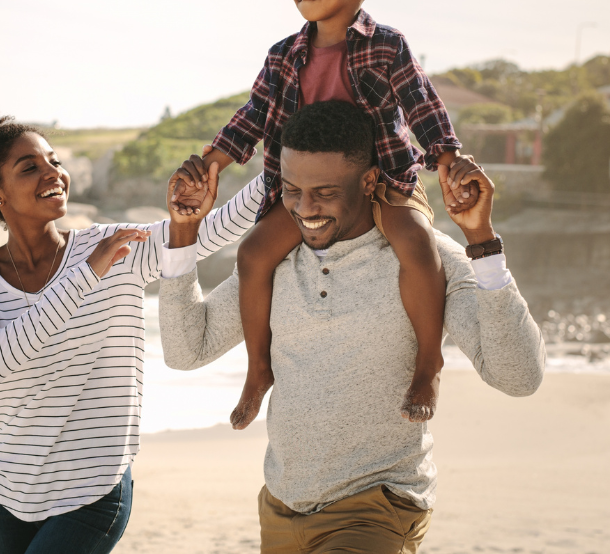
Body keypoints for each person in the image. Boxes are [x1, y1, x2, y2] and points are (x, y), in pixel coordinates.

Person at [160, 101, 545, 554]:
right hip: (282, 506)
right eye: (291, 189)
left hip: (377, 507)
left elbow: (519, 378)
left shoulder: (427, 261)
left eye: (324, 191)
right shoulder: (275, 263)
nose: (305, 208)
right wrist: (184, 233)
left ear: (367, 182)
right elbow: (187, 350)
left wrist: (481, 240)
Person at [0, 104, 264, 554]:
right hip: (8, 491)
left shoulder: (114, 246)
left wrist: (285, 165)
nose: (54, 174)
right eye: (30, 168)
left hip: (92, 491)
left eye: (55, 162)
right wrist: (87, 274)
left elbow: (212, 230)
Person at [172, 0, 478, 429]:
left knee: (417, 246)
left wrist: (447, 158)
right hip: (306, 192)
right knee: (251, 254)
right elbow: (252, 115)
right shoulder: (284, 53)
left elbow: (422, 106)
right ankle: (257, 370)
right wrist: (214, 162)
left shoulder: (386, 46)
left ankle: (428, 365)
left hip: (383, 180)